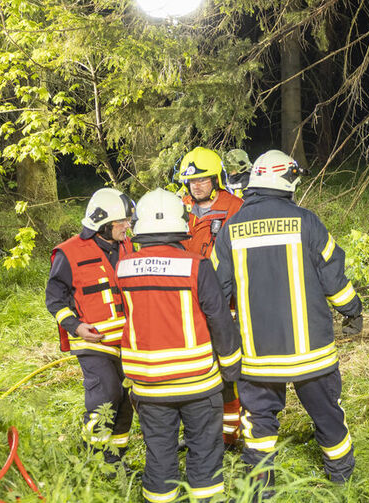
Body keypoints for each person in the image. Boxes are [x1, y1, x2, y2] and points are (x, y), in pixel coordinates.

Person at [211, 150, 363, 495]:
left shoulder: (231, 230)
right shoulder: (307, 222)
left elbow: (215, 292)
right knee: (327, 414)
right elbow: (334, 279)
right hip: (313, 353)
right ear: (286, 181)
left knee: (259, 421)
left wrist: (221, 337)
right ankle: (341, 478)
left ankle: (261, 488)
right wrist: (352, 310)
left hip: (258, 354)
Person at [117, 189, 242, 503]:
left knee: (159, 454)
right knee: (205, 451)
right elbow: (220, 320)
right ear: (182, 225)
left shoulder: (124, 267)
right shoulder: (196, 265)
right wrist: (230, 366)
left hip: (148, 385)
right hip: (198, 382)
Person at [46, 188, 135, 467]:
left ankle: (116, 457)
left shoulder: (127, 246)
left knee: (125, 399)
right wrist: (75, 326)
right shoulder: (69, 252)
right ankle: (94, 455)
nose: (128, 226)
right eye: (123, 221)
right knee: (105, 394)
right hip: (92, 343)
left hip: (127, 342)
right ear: (105, 223)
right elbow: (54, 298)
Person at [176, 146, 244, 446]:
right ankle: (195, 433)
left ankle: (230, 436)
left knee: (229, 377)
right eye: (192, 181)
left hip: (224, 307)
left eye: (203, 179)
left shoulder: (236, 208)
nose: (197, 186)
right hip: (184, 307)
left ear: (217, 178)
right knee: (189, 376)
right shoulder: (178, 208)